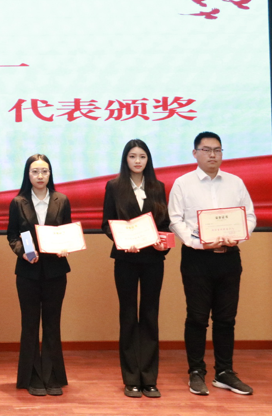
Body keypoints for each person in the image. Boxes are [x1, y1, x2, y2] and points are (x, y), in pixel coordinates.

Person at [169, 131, 256, 396]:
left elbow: (249, 216)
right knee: (197, 318)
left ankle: (224, 372)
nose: (212, 155)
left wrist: (239, 236)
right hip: (197, 259)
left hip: (229, 257)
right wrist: (197, 243)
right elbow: (175, 220)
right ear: (195, 153)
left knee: (226, 318)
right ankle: (196, 372)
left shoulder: (235, 182)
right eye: (206, 150)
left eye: (217, 150)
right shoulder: (183, 183)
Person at [101, 139, 170, 398]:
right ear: (125, 159)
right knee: (128, 316)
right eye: (132, 156)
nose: (138, 161)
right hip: (126, 260)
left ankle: (149, 379)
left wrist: (163, 244)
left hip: (153, 260)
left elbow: (165, 225)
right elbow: (106, 224)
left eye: (142, 156)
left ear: (148, 159)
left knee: (150, 316)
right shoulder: (114, 186)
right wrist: (122, 241)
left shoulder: (158, 187)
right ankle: (131, 379)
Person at [6, 154, 71, 397]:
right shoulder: (18, 202)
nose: (40, 176)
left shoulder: (62, 200)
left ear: (50, 173)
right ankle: (32, 376)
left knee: (53, 324)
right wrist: (22, 252)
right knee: (30, 324)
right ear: (28, 174)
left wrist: (66, 246)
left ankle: (52, 376)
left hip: (56, 271)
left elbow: (67, 231)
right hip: (28, 272)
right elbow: (12, 235)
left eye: (44, 171)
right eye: (35, 172)